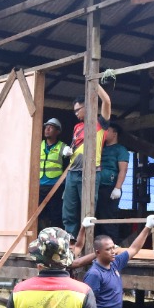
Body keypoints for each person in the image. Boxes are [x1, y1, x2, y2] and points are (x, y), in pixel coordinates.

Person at [61, 85, 112, 237]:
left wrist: (94, 84)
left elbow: (107, 102)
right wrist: (67, 152)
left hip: (90, 173)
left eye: (78, 110)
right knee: (68, 210)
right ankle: (70, 240)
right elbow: (75, 146)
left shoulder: (100, 123)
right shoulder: (77, 127)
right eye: (74, 111)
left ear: (87, 107)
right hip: (72, 172)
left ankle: (86, 241)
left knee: (88, 211)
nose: (76, 113)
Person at [96, 123, 129, 241]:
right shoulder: (100, 148)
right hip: (96, 187)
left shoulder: (121, 149)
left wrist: (117, 188)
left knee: (108, 218)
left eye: (107, 130)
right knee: (96, 218)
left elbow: (123, 170)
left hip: (110, 188)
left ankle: (111, 246)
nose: (104, 133)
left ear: (114, 133)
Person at [38, 117, 69, 230]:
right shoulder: (38, 145)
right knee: (38, 215)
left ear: (58, 131)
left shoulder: (63, 147)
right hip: (39, 186)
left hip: (55, 187)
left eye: (51, 127)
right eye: (46, 127)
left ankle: (55, 240)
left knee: (55, 215)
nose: (47, 129)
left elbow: (69, 165)